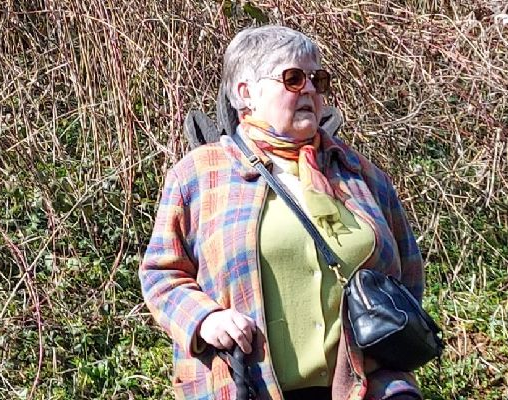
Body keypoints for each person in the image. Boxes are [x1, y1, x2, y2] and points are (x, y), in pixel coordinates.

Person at [140, 25, 427, 400]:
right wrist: (205, 319)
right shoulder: (200, 175)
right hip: (246, 385)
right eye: (292, 78)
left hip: (362, 388)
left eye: (316, 79)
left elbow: (407, 275)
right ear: (246, 93)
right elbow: (161, 274)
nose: (309, 88)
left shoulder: (359, 172)